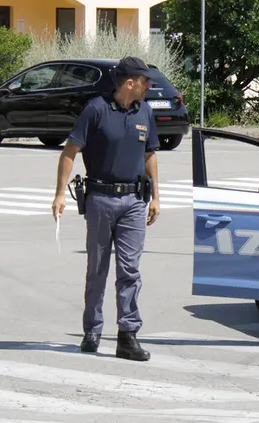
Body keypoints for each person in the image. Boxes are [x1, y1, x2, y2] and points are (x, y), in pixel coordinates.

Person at [51, 56, 161, 361]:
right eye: (145, 81)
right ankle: (93, 331)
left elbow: (150, 154)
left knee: (130, 270)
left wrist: (156, 196)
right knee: (97, 269)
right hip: (100, 200)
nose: (149, 85)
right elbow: (70, 152)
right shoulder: (96, 109)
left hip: (134, 202)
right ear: (130, 83)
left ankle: (127, 336)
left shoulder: (145, 112)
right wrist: (60, 194)